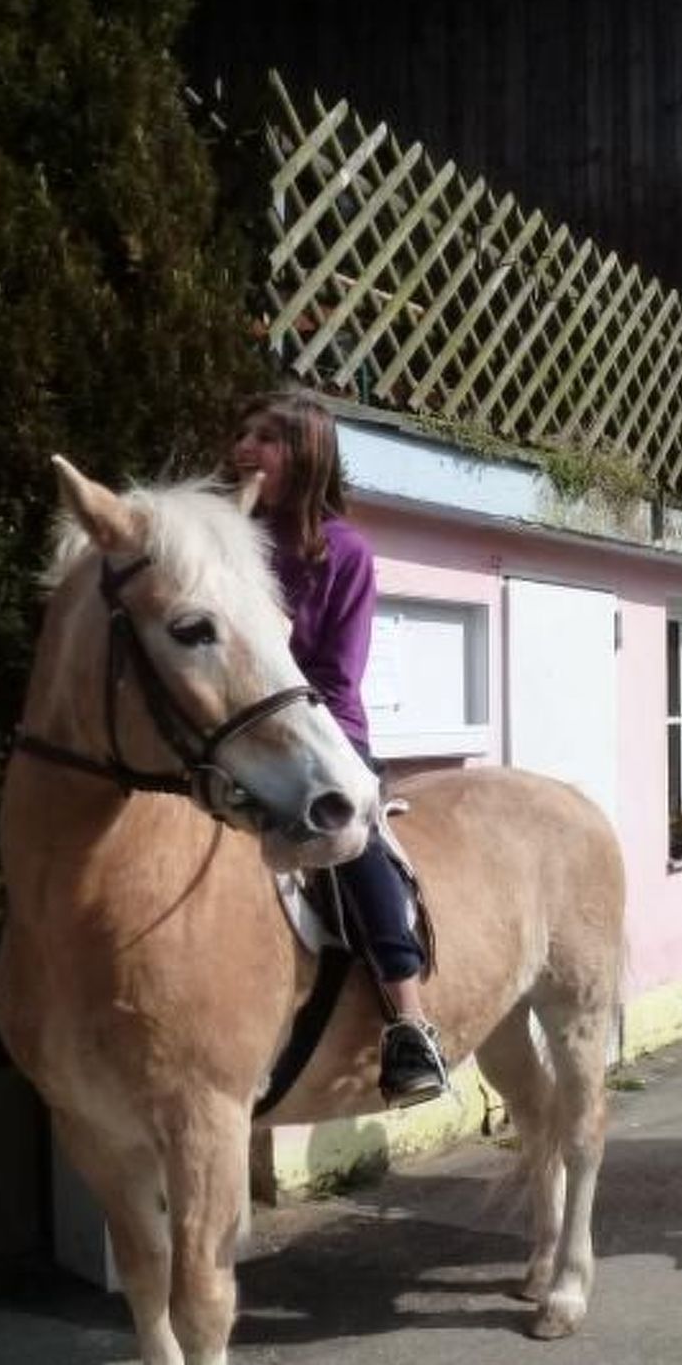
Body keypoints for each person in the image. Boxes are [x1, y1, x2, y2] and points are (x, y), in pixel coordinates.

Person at [225, 390, 451, 1108]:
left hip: (321, 726)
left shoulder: (344, 552)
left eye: (266, 438)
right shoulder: (228, 543)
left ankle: (410, 1025)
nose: (245, 448)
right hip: (226, 727)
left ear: (307, 454)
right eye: (243, 435)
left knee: (353, 844)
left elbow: (335, 672)